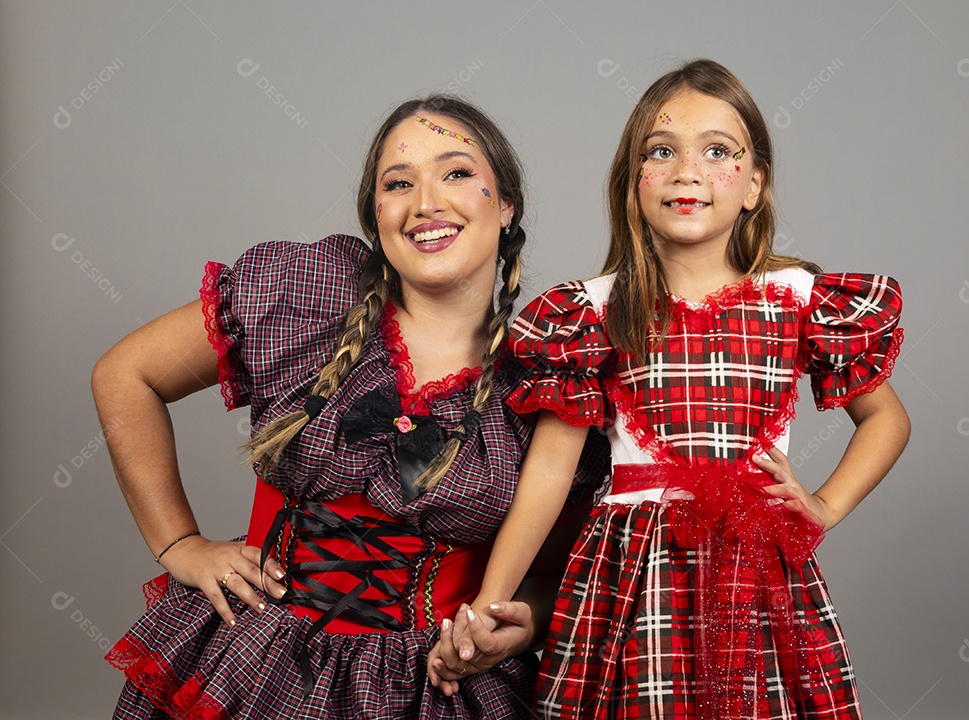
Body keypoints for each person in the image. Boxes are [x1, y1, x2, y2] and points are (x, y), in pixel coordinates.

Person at [93, 94, 604, 719]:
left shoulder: (544, 383)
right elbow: (125, 374)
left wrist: (522, 624)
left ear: (504, 205)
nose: (426, 203)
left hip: (430, 690)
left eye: (457, 172)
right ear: (377, 213)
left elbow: (560, 575)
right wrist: (179, 544)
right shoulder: (311, 297)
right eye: (399, 183)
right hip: (253, 665)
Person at [429, 59, 911, 718]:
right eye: (662, 152)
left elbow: (886, 419)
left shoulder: (797, 298)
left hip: (754, 570)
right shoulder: (594, 313)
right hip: (634, 574)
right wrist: (487, 605)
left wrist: (824, 506)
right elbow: (548, 471)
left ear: (754, 185)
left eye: (717, 151)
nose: (688, 170)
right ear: (634, 185)